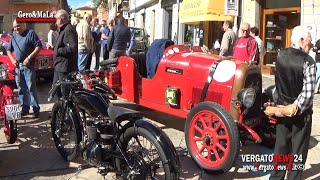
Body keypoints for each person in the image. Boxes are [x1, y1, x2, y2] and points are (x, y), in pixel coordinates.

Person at [265, 26, 316, 180]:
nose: (311, 45)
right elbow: (307, 94)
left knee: (280, 149)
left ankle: (276, 178)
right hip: (300, 116)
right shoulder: (308, 61)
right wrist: (293, 108)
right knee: (298, 153)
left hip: (282, 111)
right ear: (301, 40)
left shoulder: (280, 55)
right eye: (309, 41)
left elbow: (278, 86)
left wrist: (280, 107)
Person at [6, 19, 41, 118]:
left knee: (31, 88)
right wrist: (12, 59)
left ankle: (36, 109)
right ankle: (25, 108)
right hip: (18, 67)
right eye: (14, 27)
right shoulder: (14, 35)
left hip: (28, 66)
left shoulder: (31, 33)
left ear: (23, 24)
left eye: (18, 26)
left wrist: (29, 57)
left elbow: (38, 46)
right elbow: (8, 50)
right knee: (21, 89)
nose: (16, 28)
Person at [53, 9, 78, 95]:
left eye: (56, 19)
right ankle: (61, 107)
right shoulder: (64, 29)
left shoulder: (68, 29)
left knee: (64, 93)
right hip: (60, 66)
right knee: (57, 91)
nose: (56, 22)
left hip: (64, 68)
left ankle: (66, 108)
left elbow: (72, 48)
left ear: (61, 19)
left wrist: (58, 50)